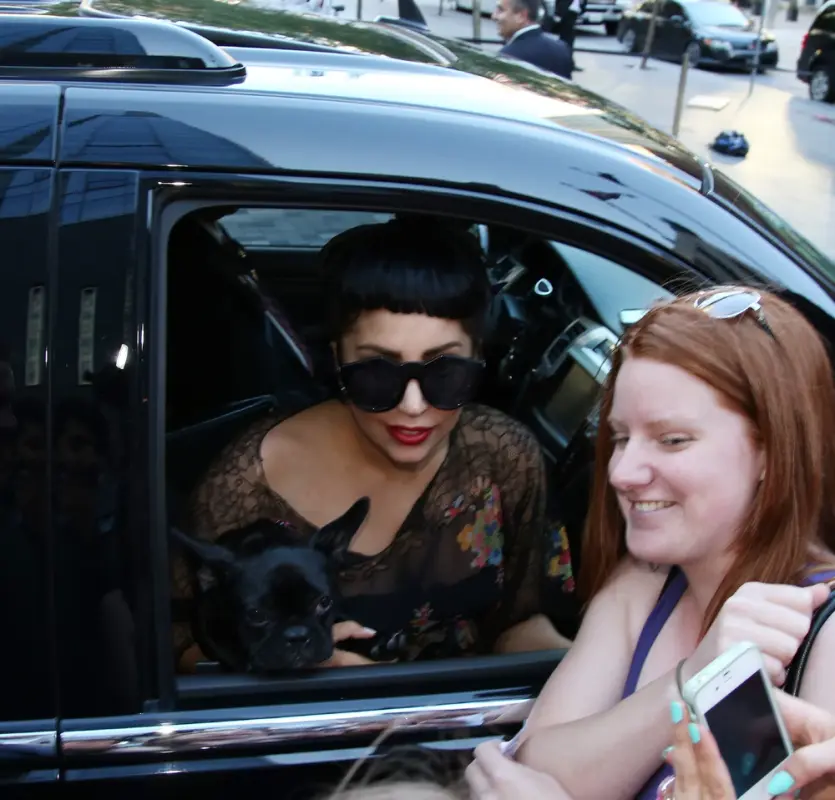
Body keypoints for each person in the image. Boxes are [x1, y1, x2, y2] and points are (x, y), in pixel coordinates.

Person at [171, 216, 571, 673]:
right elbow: (183, 652)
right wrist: (301, 667)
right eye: (379, 373)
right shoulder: (240, 487)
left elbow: (518, 625)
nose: (414, 405)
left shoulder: (504, 456)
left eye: (446, 373)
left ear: (480, 357)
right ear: (338, 356)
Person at [496, 287, 835, 799]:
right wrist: (692, 679)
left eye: (672, 440)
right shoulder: (644, 583)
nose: (621, 472)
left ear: (770, 450)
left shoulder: (823, 637)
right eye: (620, 436)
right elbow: (536, 761)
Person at [493, 0, 573, 79]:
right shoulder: (561, 49)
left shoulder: (507, 57)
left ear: (521, 16)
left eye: (501, 10)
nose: (494, 16)